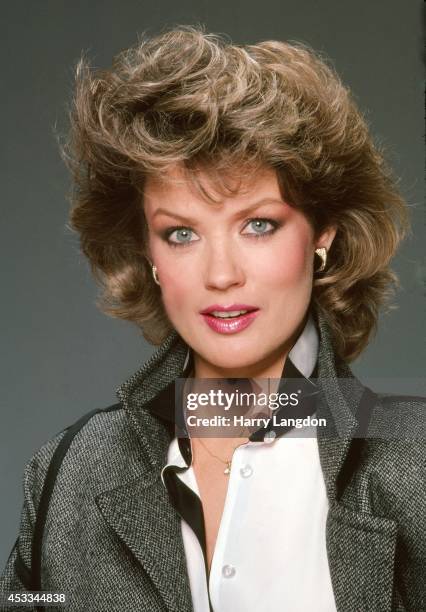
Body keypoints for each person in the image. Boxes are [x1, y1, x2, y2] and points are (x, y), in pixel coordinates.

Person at [1, 26, 425, 612]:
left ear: (322, 232)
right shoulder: (68, 472)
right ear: (148, 255)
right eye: (181, 233)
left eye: (258, 224)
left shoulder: (414, 462)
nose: (221, 274)